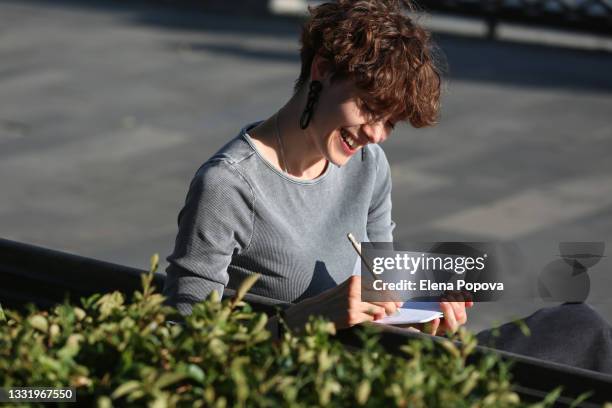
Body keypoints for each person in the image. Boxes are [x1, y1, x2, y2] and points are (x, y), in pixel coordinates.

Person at [162, 0, 470, 336]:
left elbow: (381, 290)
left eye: (391, 123)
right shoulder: (228, 186)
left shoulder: (369, 165)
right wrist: (304, 322)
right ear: (322, 68)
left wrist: (416, 311)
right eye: (368, 107)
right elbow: (185, 338)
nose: (376, 134)